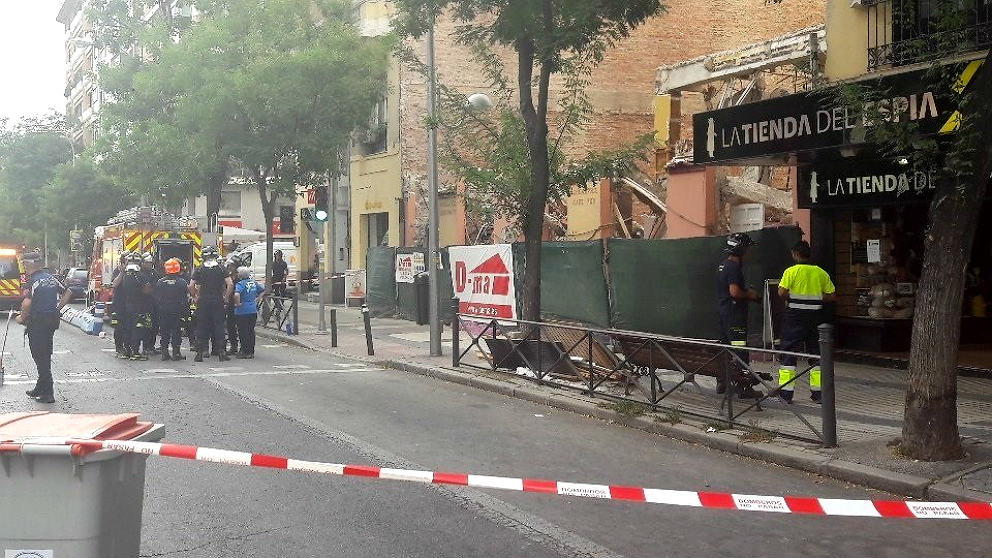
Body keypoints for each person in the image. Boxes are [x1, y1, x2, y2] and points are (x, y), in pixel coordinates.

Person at [777, 240, 836, 404]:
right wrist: (816, 297)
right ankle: (818, 395)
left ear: (795, 254)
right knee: (817, 355)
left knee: (789, 354)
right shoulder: (821, 273)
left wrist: (794, 296)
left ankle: (786, 394)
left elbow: (781, 293)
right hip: (815, 317)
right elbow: (832, 296)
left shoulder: (791, 271)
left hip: (794, 317)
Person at [17, 250, 72, 403]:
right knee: (45, 354)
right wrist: (58, 308)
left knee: (40, 356)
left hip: (38, 323)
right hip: (51, 322)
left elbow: (27, 303)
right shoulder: (51, 278)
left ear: (28, 265)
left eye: (24, 264)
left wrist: (21, 318)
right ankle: (40, 387)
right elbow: (68, 292)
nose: (23, 267)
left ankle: (48, 393)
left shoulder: (32, 281)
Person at [715, 232, 764, 399]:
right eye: (747, 248)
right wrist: (750, 295)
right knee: (741, 352)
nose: (749, 252)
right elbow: (735, 292)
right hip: (735, 317)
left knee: (726, 351)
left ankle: (722, 382)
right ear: (741, 249)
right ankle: (744, 388)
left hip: (723, 315)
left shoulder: (723, 265)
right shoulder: (734, 267)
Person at [190, 246, 232, 362]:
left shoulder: (199, 269)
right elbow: (230, 284)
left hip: (203, 300)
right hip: (217, 300)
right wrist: (226, 298)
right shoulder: (221, 268)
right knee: (219, 326)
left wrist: (195, 297)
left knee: (202, 326)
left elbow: (191, 285)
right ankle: (222, 353)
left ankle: (199, 354)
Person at [119, 253, 153, 360]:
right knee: (137, 329)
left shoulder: (125, 276)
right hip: (139, 306)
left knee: (127, 328)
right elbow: (147, 290)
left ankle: (126, 351)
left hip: (127, 306)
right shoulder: (141, 276)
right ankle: (135, 352)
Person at [155, 258, 190, 361]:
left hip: (163, 310)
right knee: (176, 332)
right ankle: (176, 353)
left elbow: (157, 297)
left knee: (164, 331)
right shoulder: (182, 282)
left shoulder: (160, 282)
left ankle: (164, 353)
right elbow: (185, 298)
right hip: (177, 310)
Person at [233, 266, 264, 359]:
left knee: (243, 332)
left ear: (240, 275)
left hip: (242, 311)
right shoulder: (253, 282)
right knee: (251, 331)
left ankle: (244, 351)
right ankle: (251, 351)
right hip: (253, 310)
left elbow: (236, 294)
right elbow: (262, 290)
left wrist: (237, 303)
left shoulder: (240, 284)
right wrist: (258, 299)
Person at [110, 252, 130, 358]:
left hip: (131, 302)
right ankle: (119, 348)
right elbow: (114, 284)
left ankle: (129, 347)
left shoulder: (134, 271)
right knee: (120, 326)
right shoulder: (118, 271)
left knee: (130, 326)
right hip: (120, 302)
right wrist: (122, 272)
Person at [140, 251, 161, 355]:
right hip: (144, 304)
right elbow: (144, 289)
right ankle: (146, 347)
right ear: (142, 263)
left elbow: (158, 284)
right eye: (147, 262)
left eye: (150, 263)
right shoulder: (140, 273)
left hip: (155, 303)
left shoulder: (154, 272)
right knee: (146, 326)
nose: (149, 264)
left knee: (155, 326)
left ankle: (151, 346)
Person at [224, 255, 241, 355]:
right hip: (230, 304)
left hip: (239, 304)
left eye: (232, 266)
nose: (230, 267)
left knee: (241, 327)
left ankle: (243, 347)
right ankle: (233, 346)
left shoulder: (241, 276)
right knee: (230, 326)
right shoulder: (229, 276)